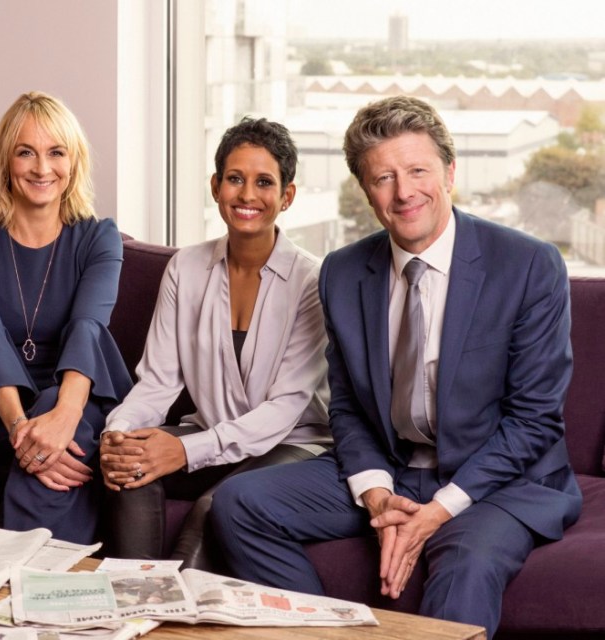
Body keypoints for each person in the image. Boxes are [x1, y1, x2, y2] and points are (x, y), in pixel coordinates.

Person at [210, 96, 582, 638]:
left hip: (499, 480)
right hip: (394, 466)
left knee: (465, 566)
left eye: (417, 171)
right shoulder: (341, 272)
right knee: (239, 504)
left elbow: (534, 420)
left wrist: (437, 511)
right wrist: (377, 494)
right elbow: (347, 407)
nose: (404, 192)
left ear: (450, 173)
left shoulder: (527, 265)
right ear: (367, 192)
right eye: (383, 177)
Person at [100, 118, 331, 566]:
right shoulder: (185, 268)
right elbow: (158, 381)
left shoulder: (313, 281)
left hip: (291, 443)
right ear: (215, 186)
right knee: (132, 469)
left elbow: (283, 411)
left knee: (216, 506)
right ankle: (135, 603)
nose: (247, 195)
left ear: (287, 196)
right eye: (234, 179)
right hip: (209, 431)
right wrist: (118, 433)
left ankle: (177, 621)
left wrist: (184, 449)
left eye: (264, 182)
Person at [0, 91, 131, 544]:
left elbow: (89, 326)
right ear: (5, 160)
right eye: (25, 152)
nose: (42, 168)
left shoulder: (100, 238)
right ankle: (52, 588)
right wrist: (20, 430)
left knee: (53, 408)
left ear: (74, 161)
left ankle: (25, 581)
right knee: (39, 425)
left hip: (79, 397)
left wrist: (64, 415)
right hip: (0, 401)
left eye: (56, 153)